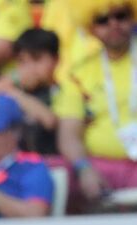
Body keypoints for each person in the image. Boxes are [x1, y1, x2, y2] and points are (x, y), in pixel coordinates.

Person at [57, 1, 137, 208]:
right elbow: (69, 135)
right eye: (102, 20)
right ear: (90, 28)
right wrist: (84, 169)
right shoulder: (79, 74)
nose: (114, 24)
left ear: (133, 17)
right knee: (56, 175)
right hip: (101, 167)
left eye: (121, 16)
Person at [2, 27, 63, 156]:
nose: (29, 68)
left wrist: (15, 93)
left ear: (56, 59)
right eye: (22, 61)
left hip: (52, 164)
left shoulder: (63, 92)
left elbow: (50, 121)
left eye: (36, 59)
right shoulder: (13, 89)